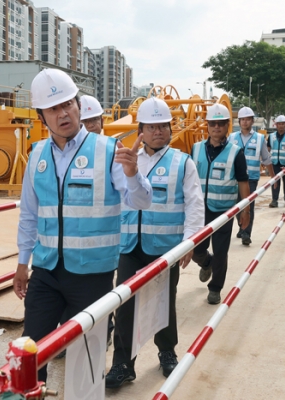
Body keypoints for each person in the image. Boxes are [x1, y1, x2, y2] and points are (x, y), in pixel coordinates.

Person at [13, 68, 152, 382]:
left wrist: (132, 174)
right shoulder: (36, 156)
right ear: (41, 116)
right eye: (54, 109)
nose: (64, 113)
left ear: (78, 105)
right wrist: (23, 262)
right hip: (46, 271)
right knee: (30, 350)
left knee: (87, 357)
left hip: (92, 274)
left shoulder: (107, 150)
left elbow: (141, 202)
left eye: (69, 104)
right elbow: (29, 216)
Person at [105, 98, 204, 388]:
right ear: (141, 130)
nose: (158, 131)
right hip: (129, 246)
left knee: (163, 302)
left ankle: (166, 352)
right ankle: (123, 364)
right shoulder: (124, 159)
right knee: (124, 305)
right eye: (152, 126)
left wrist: (190, 243)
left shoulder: (182, 162)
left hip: (165, 247)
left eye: (163, 126)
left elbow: (195, 205)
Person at [191, 103, 250, 305]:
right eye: (213, 123)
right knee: (195, 250)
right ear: (207, 125)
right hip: (199, 211)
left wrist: (245, 210)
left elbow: (243, 182)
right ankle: (205, 263)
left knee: (221, 251)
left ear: (227, 126)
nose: (217, 127)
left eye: (221, 124)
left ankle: (215, 287)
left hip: (224, 211)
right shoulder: (196, 149)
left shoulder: (236, 152)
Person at [229, 106, 275, 246]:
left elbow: (266, 159)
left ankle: (246, 234)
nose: (244, 122)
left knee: (249, 206)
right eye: (242, 119)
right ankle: (242, 225)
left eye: (247, 119)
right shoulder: (232, 138)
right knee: (237, 205)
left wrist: (273, 177)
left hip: (252, 178)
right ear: (239, 121)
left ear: (252, 121)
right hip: (235, 178)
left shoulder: (260, 138)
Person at [267, 115, 285, 207]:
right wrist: (266, 160)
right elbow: (267, 149)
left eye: (282, 124)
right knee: (275, 182)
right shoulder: (271, 136)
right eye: (279, 124)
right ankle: (274, 200)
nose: (280, 126)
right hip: (274, 163)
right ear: (276, 125)